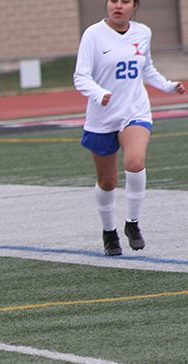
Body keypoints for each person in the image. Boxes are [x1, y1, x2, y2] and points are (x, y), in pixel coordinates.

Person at [74, 0, 185, 256]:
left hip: (135, 111)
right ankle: (109, 232)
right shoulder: (93, 34)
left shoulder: (143, 32)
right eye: (114, 0)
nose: (118, 6)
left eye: (125, 1)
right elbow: (81, 76)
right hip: (102, 116)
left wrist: (168, 85)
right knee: (108, 181)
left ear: (135, 6)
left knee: (135, 162)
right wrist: (98, 93)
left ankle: (132, 224)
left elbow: (145, 68)